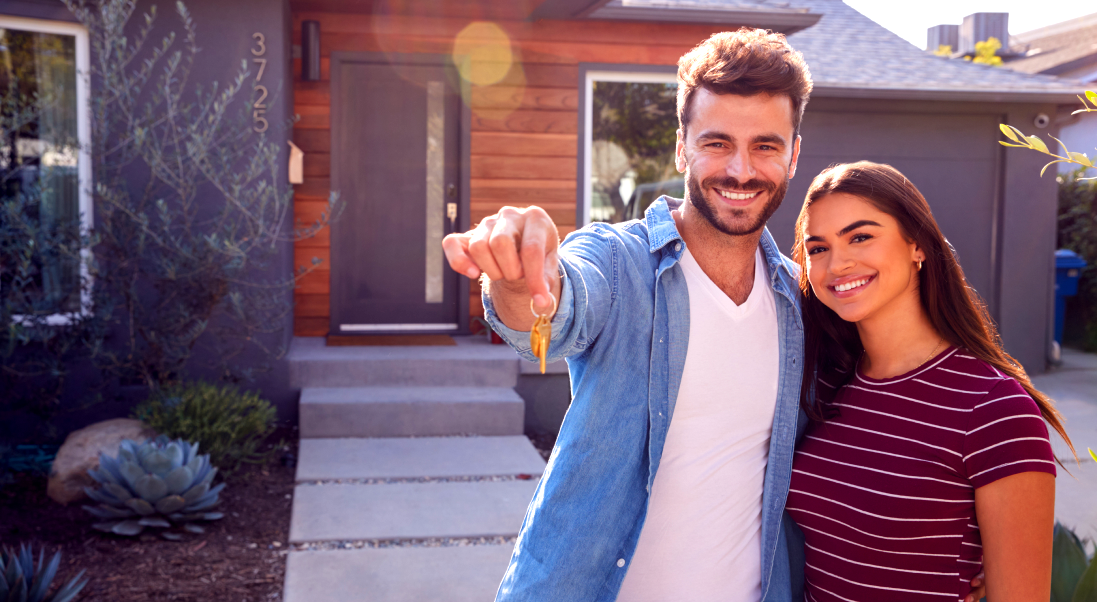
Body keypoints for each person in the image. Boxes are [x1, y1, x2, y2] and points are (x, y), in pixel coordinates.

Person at [443, 29, 988, 602]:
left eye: (766, 147)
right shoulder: (620, 261)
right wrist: (514, 277)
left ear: (794, 154)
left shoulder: (803, 303)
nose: (741, 171)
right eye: (718, 143)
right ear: (681, 147)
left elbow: (873, 429)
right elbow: (557, 311)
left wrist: (952, 548)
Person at [786, 161, 1073, 602]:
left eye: (860, 236)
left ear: (917, 245)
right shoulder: (824, 389)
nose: (837, 264)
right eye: (818, 248)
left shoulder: (995, 409)